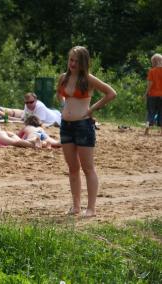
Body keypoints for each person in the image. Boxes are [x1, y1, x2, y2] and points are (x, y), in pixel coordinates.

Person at [56, 46, 116, 217]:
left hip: (83, 126)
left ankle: (91, 208)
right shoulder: (63, 78)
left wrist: (91, 109)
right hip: (66, 126)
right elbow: (59, 96)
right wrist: (64, 107)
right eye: (70, 60)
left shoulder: (88, 79)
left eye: (76, 60)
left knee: (88, 168)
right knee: (72, 167)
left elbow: (111, 93)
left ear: (83, 62)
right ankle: (76, 206)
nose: (72, 63)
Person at [144, 53, 162, 135]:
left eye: (152, 62)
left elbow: (150, 84)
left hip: (152, 95)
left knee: (151, 111)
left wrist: (146, 93)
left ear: (155, 61)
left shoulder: (152, 71)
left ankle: (147, 128)